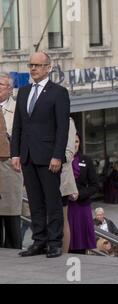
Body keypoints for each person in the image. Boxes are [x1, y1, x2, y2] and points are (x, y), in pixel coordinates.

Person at [11, 52, 70, 258]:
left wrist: (57, 156)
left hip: (48, 157)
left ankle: (54, 242)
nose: (33, 68)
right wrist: (15, 153)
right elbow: (18, 124)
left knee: (52, 202)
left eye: (38, 65)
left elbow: (63, 128)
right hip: (27, 155)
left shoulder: (58, 92)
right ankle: (39, 241)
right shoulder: (24, 92)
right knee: (35, 202)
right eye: (31, 65)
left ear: (48, 67)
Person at [0, 72, 23, 249]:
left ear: (10, 89)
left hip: (11, 168)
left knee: (12, 215)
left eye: (1, 85)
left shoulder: (18, 110)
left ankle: (14, 249)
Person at [67, 133, 98, 254]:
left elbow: (95, 185)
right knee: (66, 244)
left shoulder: (86, 160)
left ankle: (78, 269)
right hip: (65, 207)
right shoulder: (58, 160)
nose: (74, 144)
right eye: (72, 141)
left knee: (80, 246)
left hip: (81, 206)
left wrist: (79, 194)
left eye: (77, 141)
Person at [60, 117, 78, 253]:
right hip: (42, 174)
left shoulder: (67, 120)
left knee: (62, 218)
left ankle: (64, 252)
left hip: (62, 176)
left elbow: (69, 151)